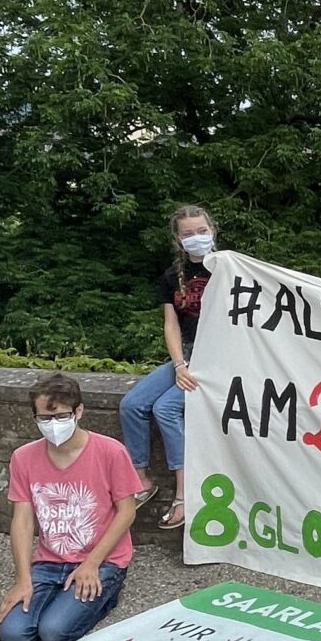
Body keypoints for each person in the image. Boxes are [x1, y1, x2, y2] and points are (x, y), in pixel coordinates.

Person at [1, 372, 142, 641]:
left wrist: (91, 564)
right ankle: (65, 596)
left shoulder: (111, 452)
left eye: (61, 416)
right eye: (44, 418)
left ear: (79, 412)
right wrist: (22, 579)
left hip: (102, 559)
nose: (53, 425)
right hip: (49, 561)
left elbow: (127, 511)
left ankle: (107, 592)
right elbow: (22, 521)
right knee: (13, 635)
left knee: (53, 632)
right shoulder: (23, 457)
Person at [119, 204, 216, 530]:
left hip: (218, 356)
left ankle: (184, 495)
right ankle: (141, 480)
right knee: (132, 404)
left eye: (201, 231)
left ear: (212, 230)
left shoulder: (229, 269)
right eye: (188, 233)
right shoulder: (171, 276)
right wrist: (179, 364)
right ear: (177, 238)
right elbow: (170, 325)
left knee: (166, 409)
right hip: (186, 354)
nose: (197, 238)